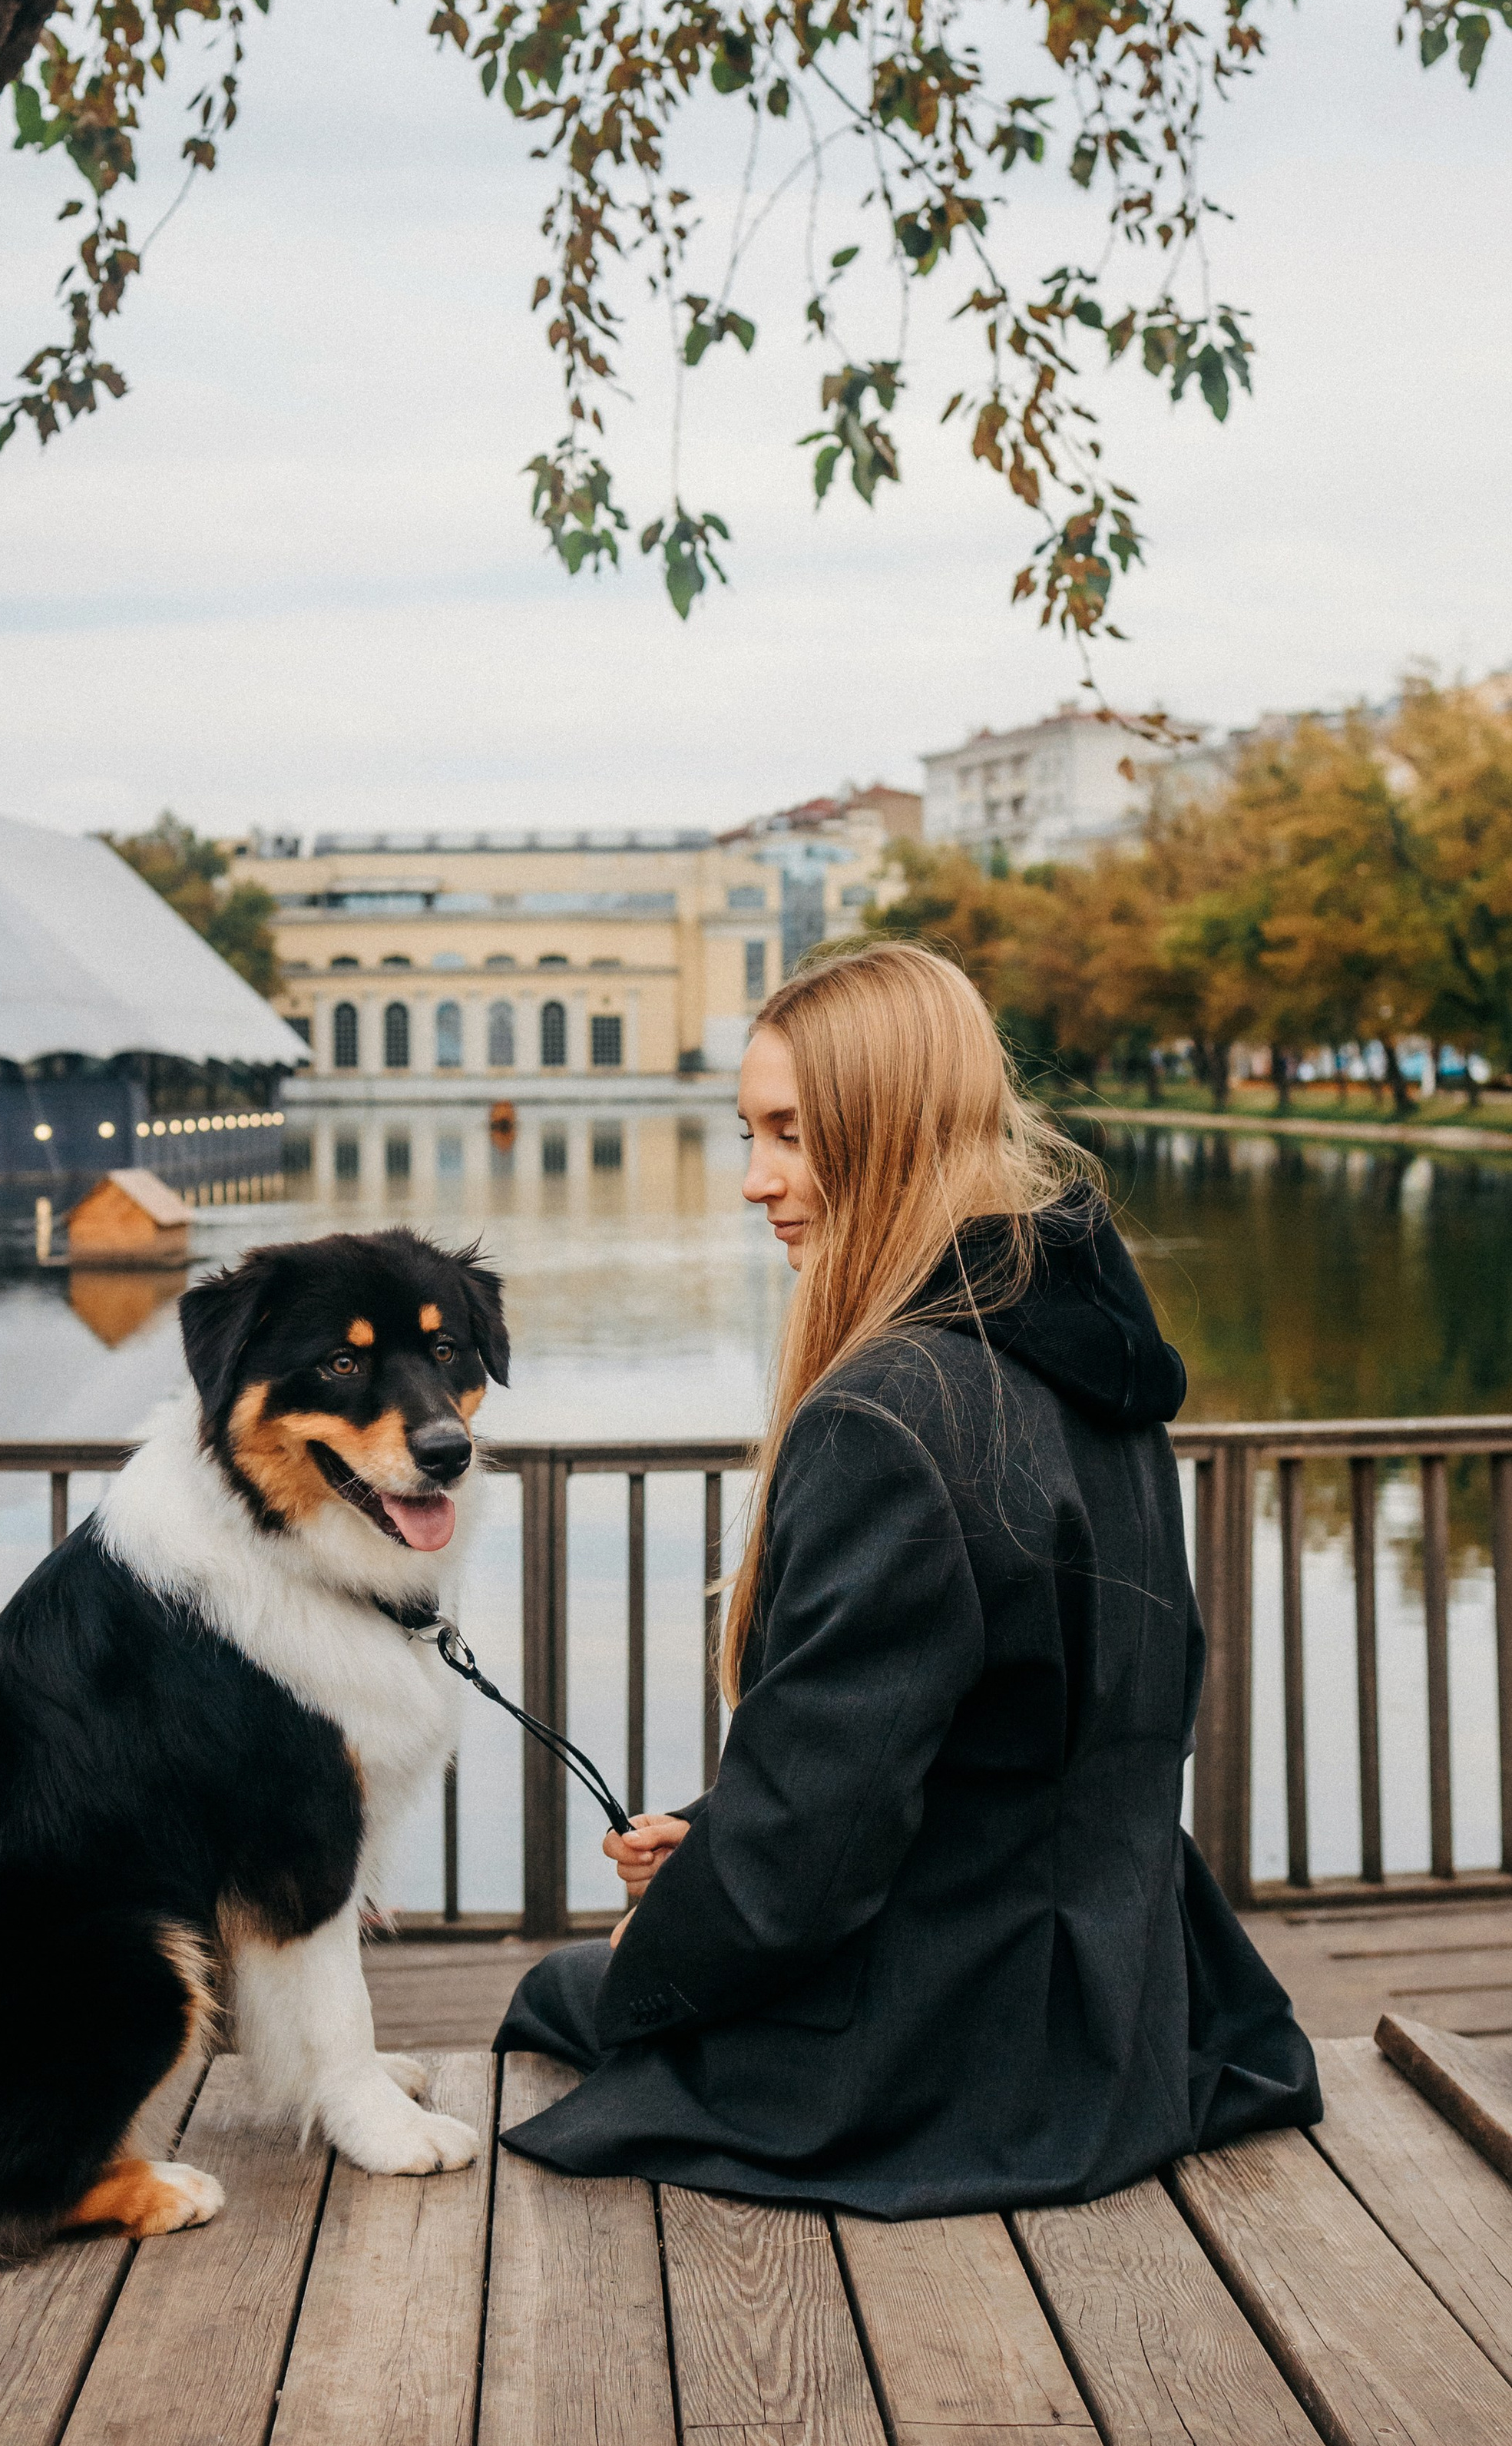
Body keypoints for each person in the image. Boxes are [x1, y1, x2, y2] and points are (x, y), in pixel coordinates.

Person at [497, 941, 1319, 2215]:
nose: (756, 1180)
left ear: (886, 1133)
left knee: (563, 1992)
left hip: (957, 2052)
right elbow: (1028, 1739)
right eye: (747, 1132)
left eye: (789, 1132)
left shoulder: (887, 1413)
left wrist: (664, 1937)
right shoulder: (1095, 1369)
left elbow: (805, 1865)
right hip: (1131, 2014)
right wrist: (716, 1840)